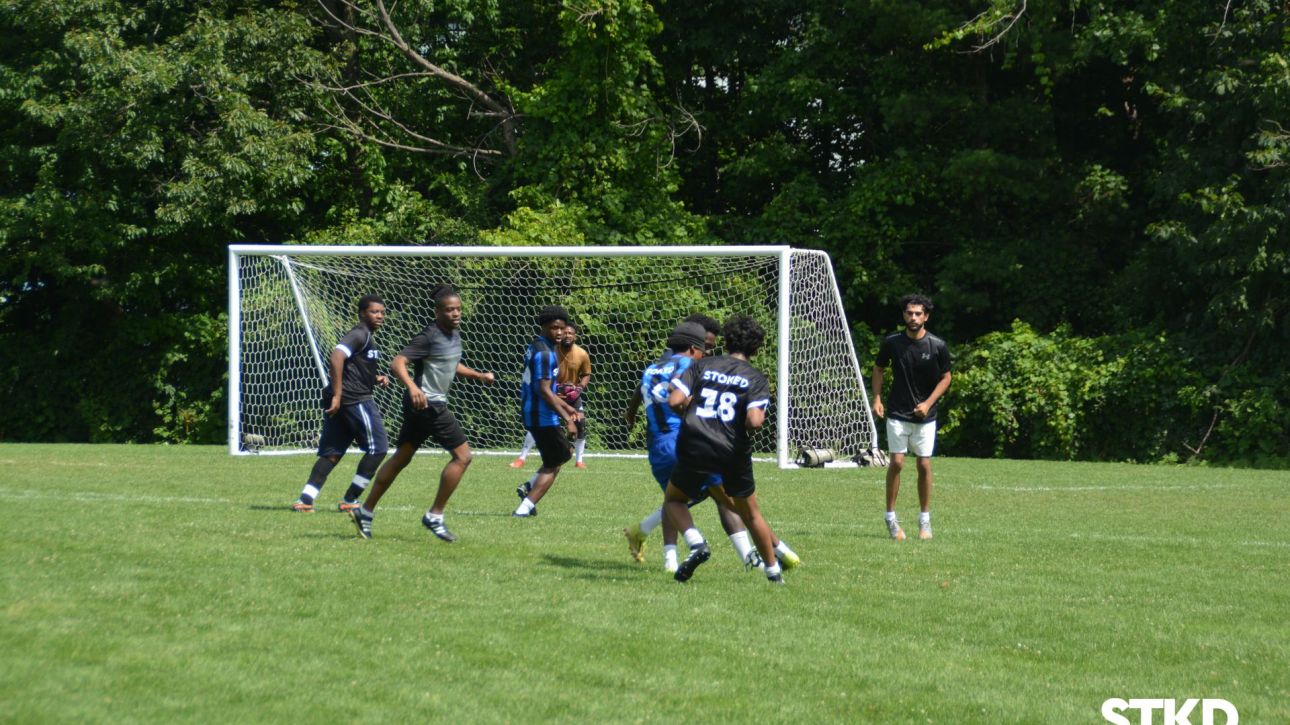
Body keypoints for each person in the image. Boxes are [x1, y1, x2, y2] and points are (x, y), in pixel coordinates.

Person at [623, 319, 800, 574]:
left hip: (657, 444)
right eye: (705, 347)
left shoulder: (653, 367)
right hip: (692, 439)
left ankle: (667, 557)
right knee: (732, 501)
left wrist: (630, 414)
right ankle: (770, 555)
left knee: (675, 499)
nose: (707, 352)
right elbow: (678, 397)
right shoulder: (694, 365)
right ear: (693, 347)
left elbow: (642, 391)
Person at [348, 285, 495, 542]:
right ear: (437, 312)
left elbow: (450, 363)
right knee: (463, 457)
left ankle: (365, 511)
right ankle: (435, 515)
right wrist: (413, 387)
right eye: (449, 310)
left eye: (458, 309)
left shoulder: (453, 334)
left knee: (401, 458)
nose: (455, 314)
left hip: (422, 406)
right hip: (429, 404)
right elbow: (397, 362)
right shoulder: (429, 336)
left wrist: (478, 375)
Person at [662, 315, 787, 585]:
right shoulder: (756, 378)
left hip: (694, 443)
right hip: (731, 449)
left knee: (674, 500)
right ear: (756, 349)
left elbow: (674, 400)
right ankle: (773, 572)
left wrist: (691, 412)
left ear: (726, 340)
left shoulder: (702, 365)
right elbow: (755, 421)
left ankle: (697, 543)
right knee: (750, 513)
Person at [292, 294, 390, 513]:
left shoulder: (366, 337)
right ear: (362, 313)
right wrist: (338, 395)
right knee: (379, 448)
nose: (379, 316)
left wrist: (375, 378)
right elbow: (337, 356)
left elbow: (354, 368)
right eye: (374, 312)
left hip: (346, 398)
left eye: (382, 313)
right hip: (354, 399)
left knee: (332, 453)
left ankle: (305, 500)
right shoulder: (359, 333)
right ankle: (350, 499)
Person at [871, 293, 952, 541]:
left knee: (924, 464)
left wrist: (928, 403)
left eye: (918, 313)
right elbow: (878, 369)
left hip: (926, 416)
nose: (913, 317)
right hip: (897, 411)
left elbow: (946, 377)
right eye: (909, 313)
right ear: (903, 315)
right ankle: (890, 518)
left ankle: (924, 520)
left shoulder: (937, 345)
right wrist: (877, 398)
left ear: (926, 317)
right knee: (896, 462)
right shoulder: (892, 342)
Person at [513, 306, 583, 517]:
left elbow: (546, 389)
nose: (560, 332)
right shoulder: (545, 354)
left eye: (562, 328)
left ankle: (528, 486)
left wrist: (568, 407)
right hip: (541, 415)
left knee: (562, 454)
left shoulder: (538, 346)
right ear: (543, 327)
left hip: (535, 412)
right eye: (554, 328)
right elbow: (544, 391)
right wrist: (567, 418)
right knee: (556, 461)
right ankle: (524, 508)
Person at [510, 323, 592, 469]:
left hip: (572, 396)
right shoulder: (551, 351)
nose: (567, 335)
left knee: (580, 423)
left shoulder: (582, 354)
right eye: (565, 332)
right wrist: (557, 386)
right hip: (552, 394)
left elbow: (586, 374)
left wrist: (579, 388)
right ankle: (522, 458)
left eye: (570, 333)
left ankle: (579, 461)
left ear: (575, 337)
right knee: (540, 424)